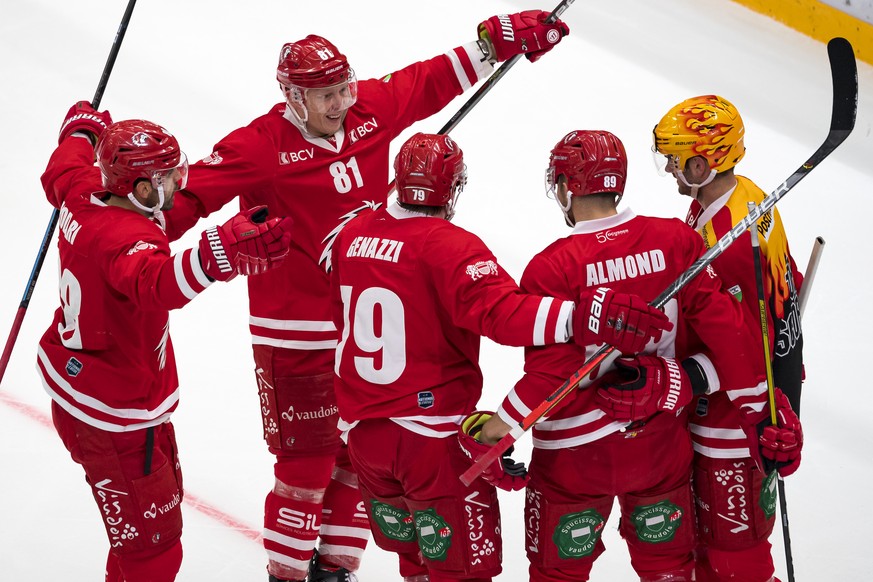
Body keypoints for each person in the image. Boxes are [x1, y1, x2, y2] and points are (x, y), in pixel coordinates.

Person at [163, 12, 571, 582]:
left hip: (357, 329)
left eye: (343, 89)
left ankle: (335, 569)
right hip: (292, 328)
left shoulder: (368, 111)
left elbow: (429, 80)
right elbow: (180, 204)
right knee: (304, 466)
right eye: (326, 95)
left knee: (358, 460)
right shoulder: (257, 146)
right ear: (293, 98)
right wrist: (127, 236)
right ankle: (285, 574)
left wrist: (493, 42)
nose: (339, 104)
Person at [329, 132, 672, 582]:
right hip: (429, 443)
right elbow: (502, 315)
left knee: (417, 563)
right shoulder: (449, 245)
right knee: (462, 572)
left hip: (364, 441)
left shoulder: (351, 233)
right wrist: (580, 315)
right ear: (450, 189)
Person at [475, 129, 776, 582]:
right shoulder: (675, 240)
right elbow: (730, 334)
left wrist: (495, 432)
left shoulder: (552, 265)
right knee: (669, 569)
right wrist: (760, 412)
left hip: (573, 461)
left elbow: (549, 380)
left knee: (558, 573)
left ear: (564, 187)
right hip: (658, 447)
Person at [37, 101, 293, 582]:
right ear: (137, 189)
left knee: (144, 540)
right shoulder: (125, 239)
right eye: (167, 177)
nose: (178, 183)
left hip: (91, 391)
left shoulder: (84, 190)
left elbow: (62, 168)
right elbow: (155, 283)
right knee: (153, 555)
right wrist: (218, 254)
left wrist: (81, 132)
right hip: (112, 412)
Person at [653, 95, 805, 582]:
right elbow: (787, 284)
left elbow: (743, 339)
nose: (671, 170)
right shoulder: (746, 198)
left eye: (677, 161)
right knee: (709, 550)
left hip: (733, 418)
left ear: (701, 163)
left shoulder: (729, 236)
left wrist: (686, 378)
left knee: (736, 558)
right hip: (733, 408)